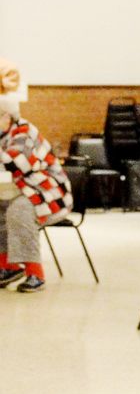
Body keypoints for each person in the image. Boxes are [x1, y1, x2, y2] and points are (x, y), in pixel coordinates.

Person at [0, 95, 73, 293]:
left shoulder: (24, 132)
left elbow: (15, 163)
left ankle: (35, 273)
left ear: (7, 116)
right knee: (1, 209)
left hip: (49, 190)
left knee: (19, 211)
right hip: (20, 187)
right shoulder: (4, 133)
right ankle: (9, 267)